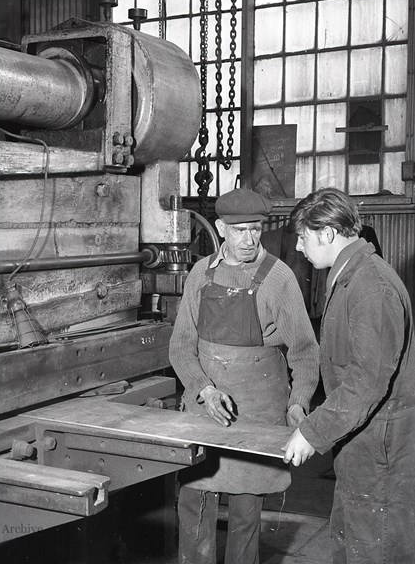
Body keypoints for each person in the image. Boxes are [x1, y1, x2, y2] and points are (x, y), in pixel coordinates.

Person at [281, 187, 415, 563]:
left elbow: (365, 384)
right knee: (354, 540)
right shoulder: (351, 276)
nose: (299, 248)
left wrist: (312, 432)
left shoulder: (371, 286)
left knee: (377, 548)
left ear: (327, 234)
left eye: (303, 237)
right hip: (366, 434)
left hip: (385, 438)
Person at [169, 188, 319, 564]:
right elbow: (181, 346)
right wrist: (204, 389)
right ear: (221, 229)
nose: (250, 239)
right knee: (194, 504)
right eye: (240, 231)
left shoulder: (279, 278)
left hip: (256, 411)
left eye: (256, 229)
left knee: (245, 514)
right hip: (205, 410)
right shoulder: (200, 274)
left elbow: (305, 351)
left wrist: (299, 402)